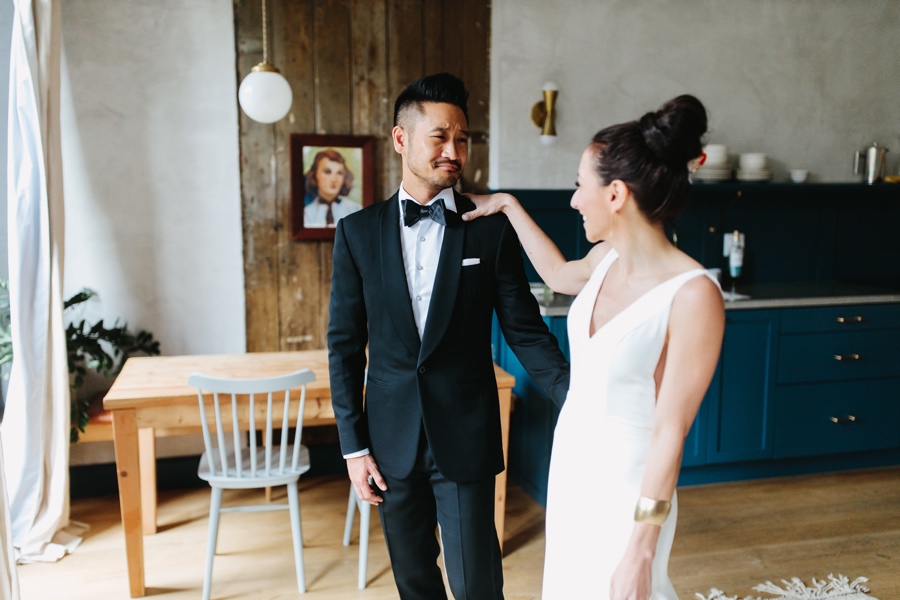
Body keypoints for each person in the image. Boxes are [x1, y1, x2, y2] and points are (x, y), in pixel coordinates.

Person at [462, 95, 725, 599]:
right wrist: (506, 205)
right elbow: (559, 274)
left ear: (616, 195)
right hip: (572, 464)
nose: (574, 200)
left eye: (581, 186)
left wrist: (642, 548)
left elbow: (671, 432)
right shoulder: (605, 259)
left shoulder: (693, 295)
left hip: (630, 486)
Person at [327, 72, 570, 600]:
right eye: (440, 137)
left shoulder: (490, 227)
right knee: (414, 583)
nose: (453, 151)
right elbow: (344, 346)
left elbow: (525, 331)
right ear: (402, 139)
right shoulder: (357, 233)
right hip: (389, 443)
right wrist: (353, 447)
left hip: (465, 435)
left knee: (477, 585)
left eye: (462, 139)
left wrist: (574, 396)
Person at [303, 149, 362, 228]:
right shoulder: (307, 213)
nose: (334, 179)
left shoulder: (356, 210)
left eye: (339, 173)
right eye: (327, 172)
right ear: (315, 175)